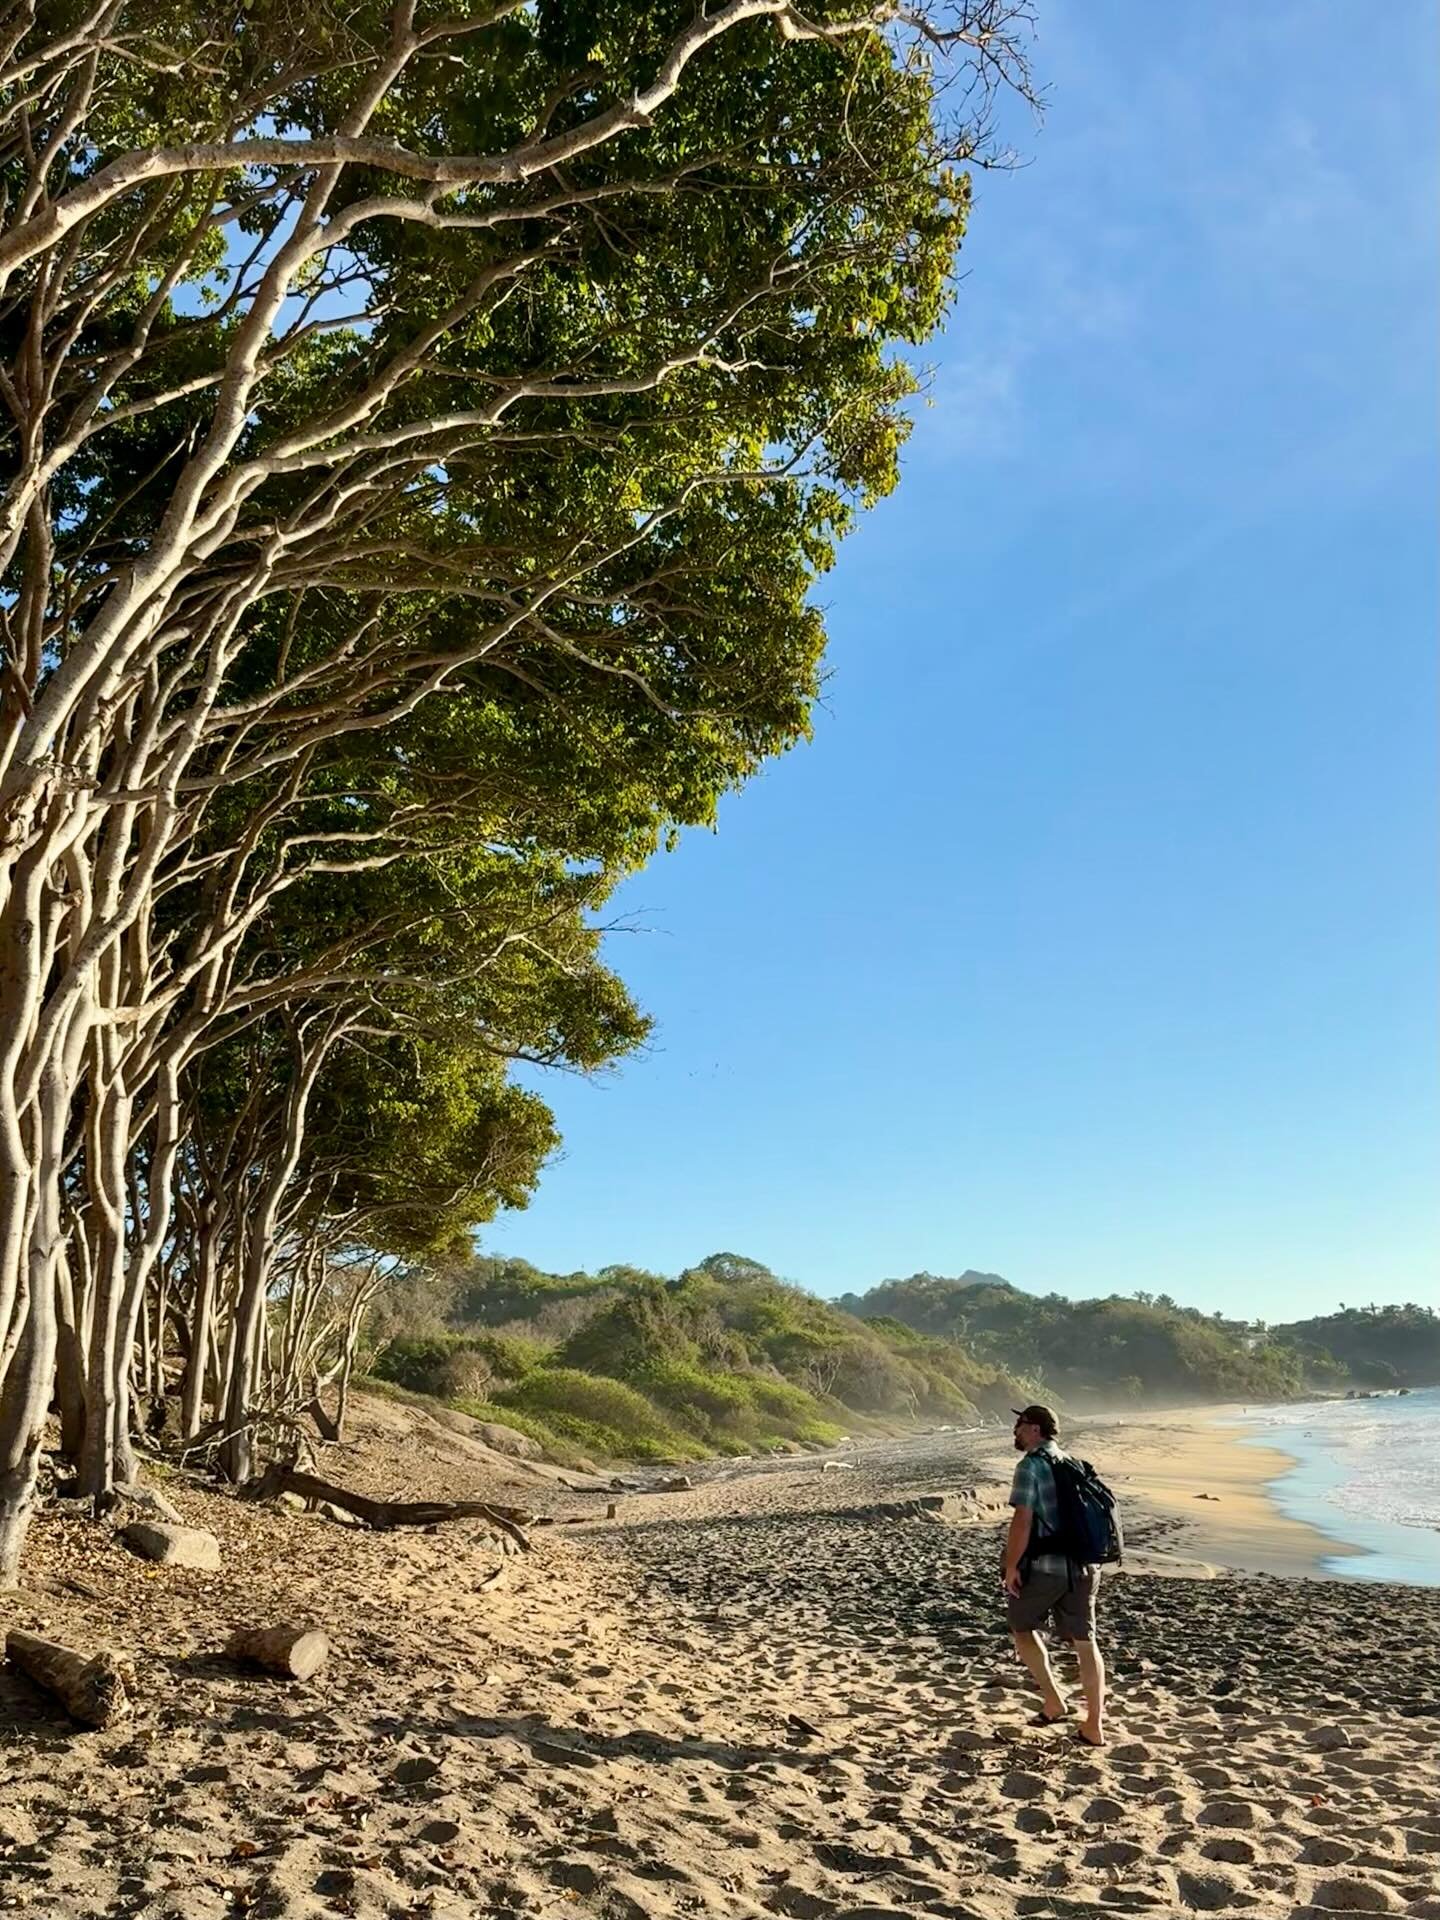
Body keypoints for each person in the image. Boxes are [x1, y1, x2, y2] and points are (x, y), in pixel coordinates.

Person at [1002, 1403, 1106, 1746]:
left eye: (1020, 1424)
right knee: (1086, 1643)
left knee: (1021, 1628)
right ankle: (1093, 1725)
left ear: (1035, 1429)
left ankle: (1054, 1700)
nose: (1015, 1430)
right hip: (1084, 1567)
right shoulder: (1073, 1463)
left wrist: (1012, 1566)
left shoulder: (1030, 1466)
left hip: (1045, 1567)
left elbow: (1022, 1521)